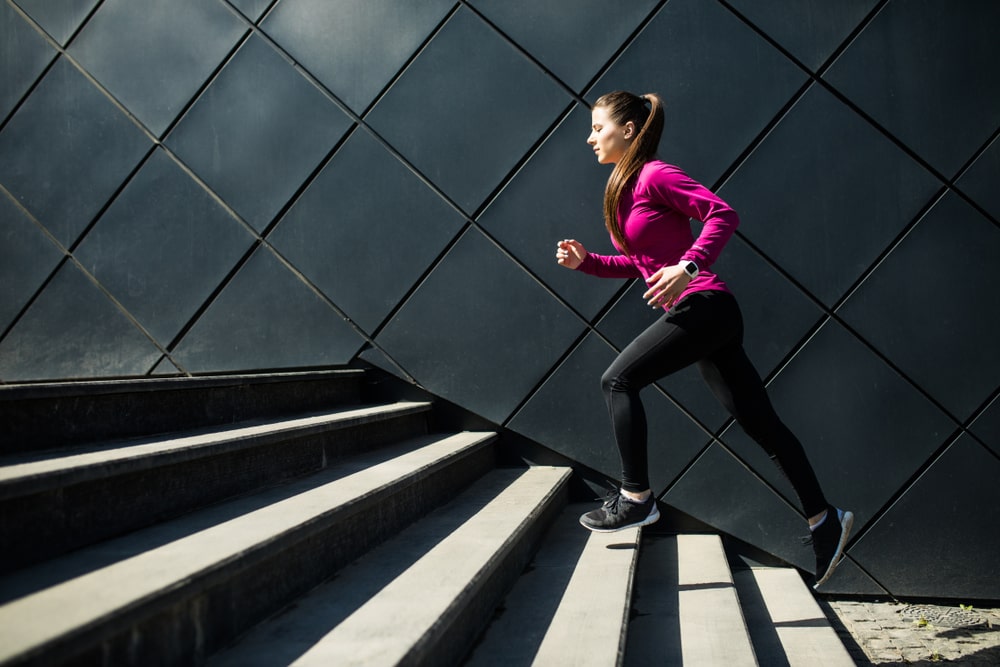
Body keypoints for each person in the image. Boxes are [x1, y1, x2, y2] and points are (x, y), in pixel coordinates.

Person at [555, 90, 853, 588]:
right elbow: (642, 264)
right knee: (762, 425)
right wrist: (586, 262)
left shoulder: (655, 174)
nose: (590, 138)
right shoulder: (625, 187)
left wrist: (689, 265)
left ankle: (636, 499)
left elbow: (723, 214)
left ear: (628, 130)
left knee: (618, 381)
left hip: (706, 305)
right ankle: (825, 521)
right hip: (704, 315)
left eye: (597, 127)